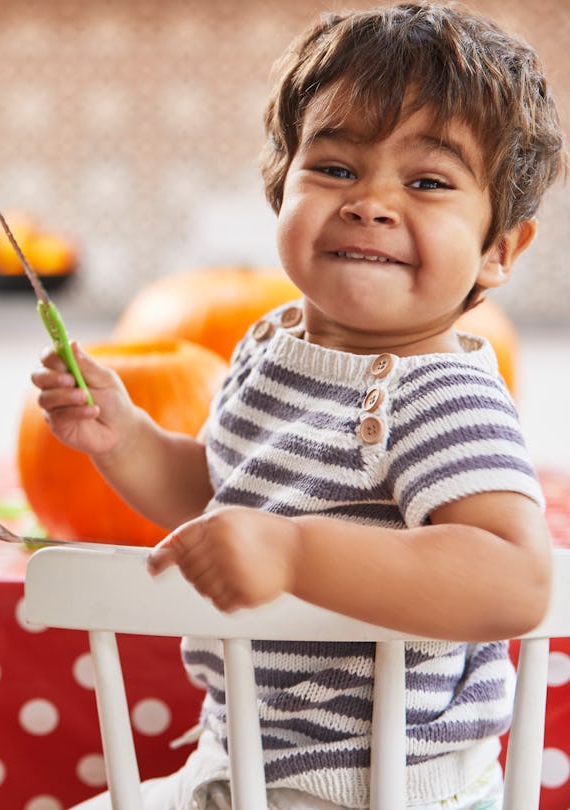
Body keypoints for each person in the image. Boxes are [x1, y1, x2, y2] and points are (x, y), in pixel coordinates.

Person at [32, 3, 566, 808]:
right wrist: (127, 441)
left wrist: (293, 554)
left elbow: (513, 579)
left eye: (426, 182)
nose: (371, 203)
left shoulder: (440, 392)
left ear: (498, 250)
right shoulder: (272, 346)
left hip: (375, 783)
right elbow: (222, 494)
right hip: (248, 761)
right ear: (281, 188)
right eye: (337, 169)